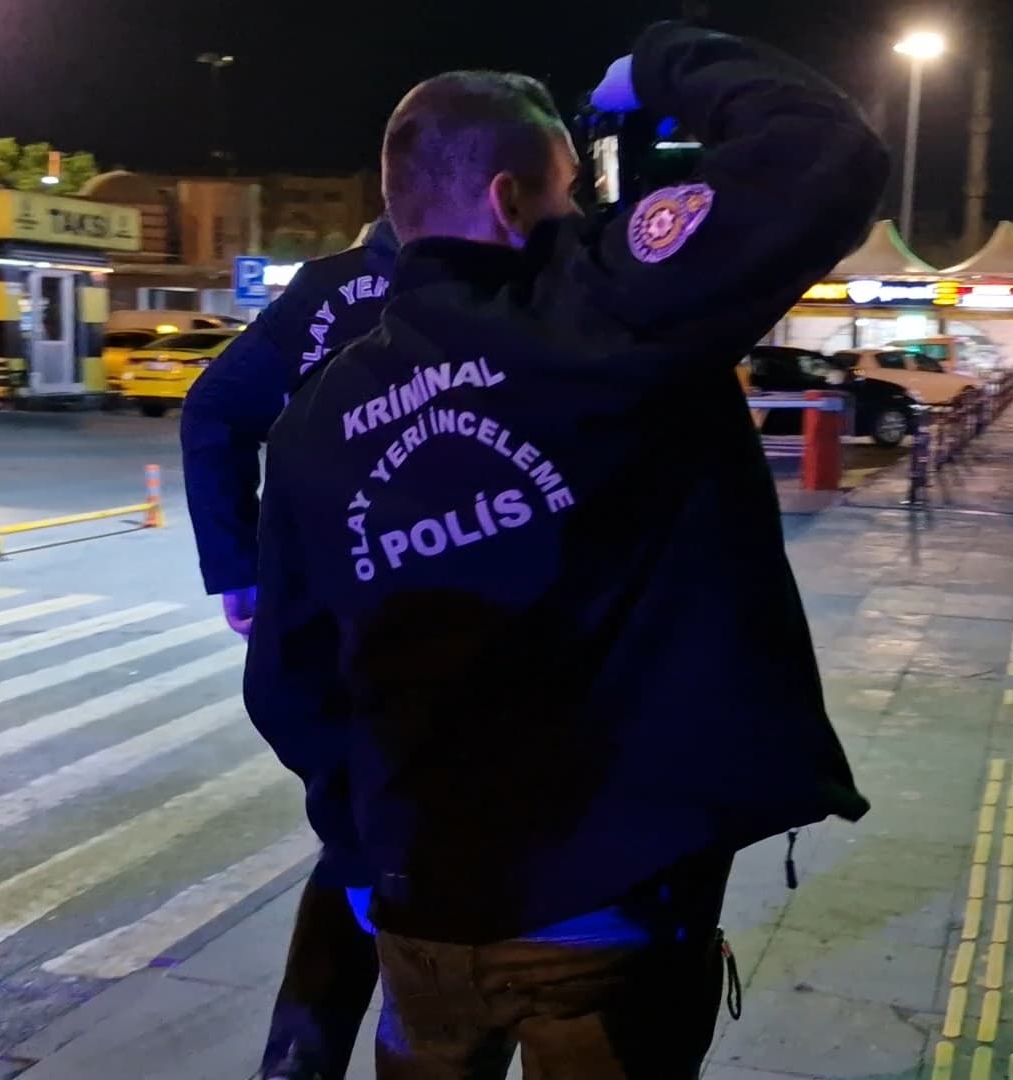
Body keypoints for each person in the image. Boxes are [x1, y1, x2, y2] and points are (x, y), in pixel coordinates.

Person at [247, 20, 885, 1077]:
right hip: (608, 918)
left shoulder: (316, 418)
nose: (586, 217)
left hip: (422, 926)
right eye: (571, 192)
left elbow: (287, 681)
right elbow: (823, 153)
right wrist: (665, 62)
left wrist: (370, 855)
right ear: (511, 201)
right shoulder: (606, 310)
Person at [178, 218, 398, 1080]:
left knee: (356, 839)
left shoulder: (321, 290)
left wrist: (239, 568)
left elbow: (215, 408)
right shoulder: (508, 291)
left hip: (321, 620)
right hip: (441, 613)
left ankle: (299, 1057)